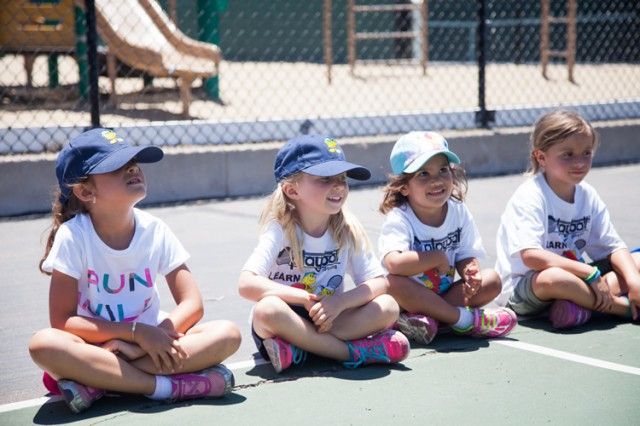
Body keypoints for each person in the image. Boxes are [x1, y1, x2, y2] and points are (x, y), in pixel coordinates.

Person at [28, 128, 241, 413]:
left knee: (227, 333)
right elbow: (63, 321)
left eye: (133, 163)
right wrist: (134, 333)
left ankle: (100, 381)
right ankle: (167, 387)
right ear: (85, 191)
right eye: (116, 167)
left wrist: (150, 339)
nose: (132, 169)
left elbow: (192, 303)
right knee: (43, 345)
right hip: (97, 346)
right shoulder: (73, 236)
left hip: (148, 343)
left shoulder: (155, 229)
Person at [238, 135, 409, 373]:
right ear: (291, 189)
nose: (338, 185)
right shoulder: (280, 228)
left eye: (342, 178)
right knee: (267, 310)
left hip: (330, 318)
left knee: (388, 306)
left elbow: (378, 282)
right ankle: (352, 352)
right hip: (288, 319)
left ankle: (301, 350)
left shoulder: (347, 228)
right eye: (325, 179)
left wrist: (340, 302)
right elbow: (246, 284)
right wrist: (303, 299)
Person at [494, 110, 640, 328]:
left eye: (586, 153)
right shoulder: (530, 195)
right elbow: (531, 257)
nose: (579, 162)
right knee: (555, 278)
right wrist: (589, 273)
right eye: (568, 154)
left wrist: (633, 281)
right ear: (541, 157)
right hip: (528, 288)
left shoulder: (587, 195)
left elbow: (613, 247)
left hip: (576, 280)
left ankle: (578, 306)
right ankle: (622, 308)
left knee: (634, 261)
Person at [378, 131, 517, 345]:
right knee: (393, 283)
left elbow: (465, 253)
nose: (436, 180)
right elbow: (393, 264)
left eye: (443, 170)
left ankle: (426, 321)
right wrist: (436, 257)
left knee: (492, 280)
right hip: (408, 298)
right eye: (423, 174)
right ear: (404, 186)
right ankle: (464, 320)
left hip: (445, 295)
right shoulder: (400, 217)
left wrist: (470, 271)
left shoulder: (458, 211)